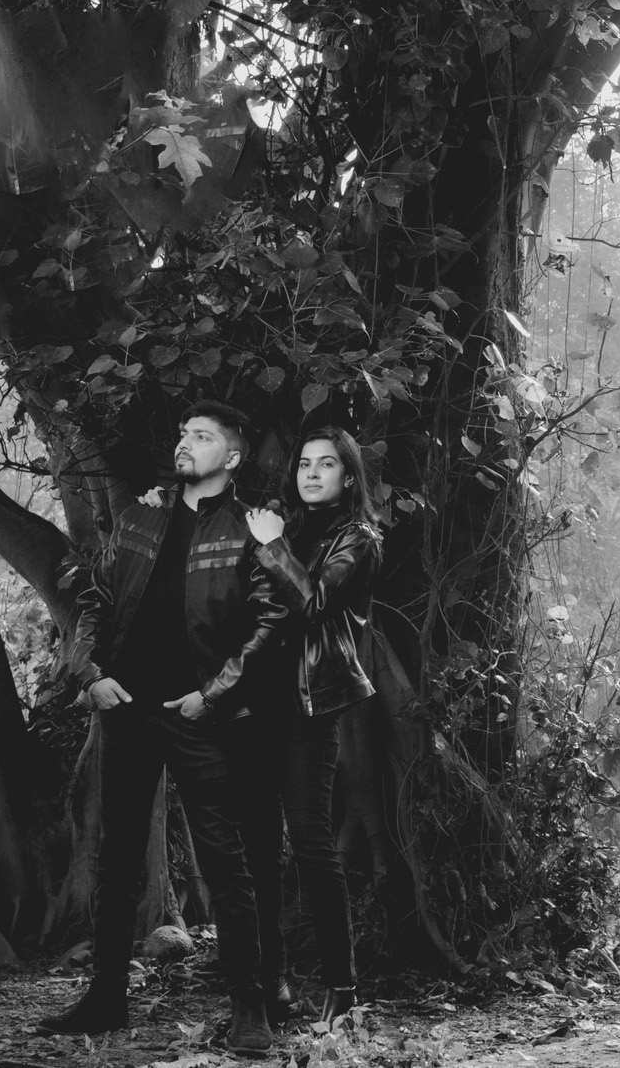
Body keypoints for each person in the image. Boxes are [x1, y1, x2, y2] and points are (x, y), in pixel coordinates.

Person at [37, 402, 286, 1053]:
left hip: (201, 716)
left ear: (232, 457)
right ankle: (105, 998)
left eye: (202, 437)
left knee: (225, 863)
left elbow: (271, 623)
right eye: (183, 433)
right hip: (127, 709)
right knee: (116, 860)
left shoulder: (247, 530)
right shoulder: (140, 517)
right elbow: (94, 599)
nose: (185, 443)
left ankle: (250, 1007)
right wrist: (90, 674)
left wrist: (216, 694)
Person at [238, 427, 379, 1026]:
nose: (312, 474)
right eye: (304, 464)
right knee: (257, 846)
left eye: (326, 465)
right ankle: (271, 981)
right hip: (253, 703)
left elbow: (316, 602)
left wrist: (272, 546)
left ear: (348, 477)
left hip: (308, 706)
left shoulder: (357, 539)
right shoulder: (282, 527)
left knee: (312, 844)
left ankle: (343, 989)